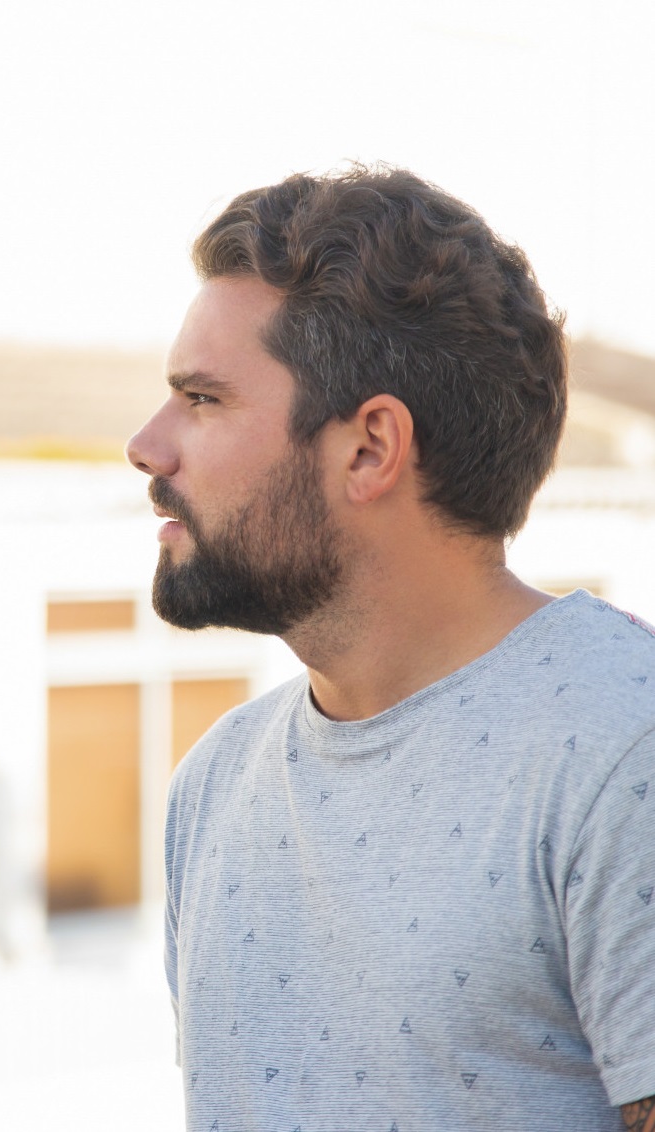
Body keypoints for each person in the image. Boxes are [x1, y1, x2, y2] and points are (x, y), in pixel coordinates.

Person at [128, 165, 655, 1131]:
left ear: (370, 447)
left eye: (202, 400)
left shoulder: (624, 748)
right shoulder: (213, 785)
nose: (147, 446)